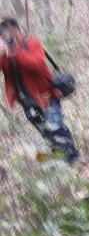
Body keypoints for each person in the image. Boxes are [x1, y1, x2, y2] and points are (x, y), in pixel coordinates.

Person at [0, 17, 78, 164]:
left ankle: (72, 159)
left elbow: (37, 64)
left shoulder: (32, 44)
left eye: (12, 35)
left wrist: (15, 52)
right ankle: (61, 160)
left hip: (47, 97)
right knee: (46, 132)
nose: (11, 39)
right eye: (5, 37)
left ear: (18, 31)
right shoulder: (4, 55)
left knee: (56, 127)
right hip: (27, 103)